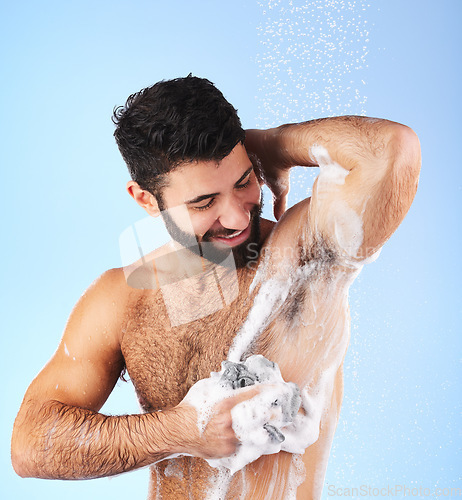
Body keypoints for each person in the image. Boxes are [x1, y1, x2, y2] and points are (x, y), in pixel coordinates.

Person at [11, 75, 421, 499]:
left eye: (244, 182)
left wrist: (272, 145)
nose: (239, 218)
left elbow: (394, 151)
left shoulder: (299, 259)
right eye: (204, 203)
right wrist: (182, 431)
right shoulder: (121, 299)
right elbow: (31, 444)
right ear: (146, 200)